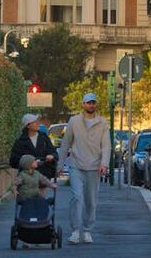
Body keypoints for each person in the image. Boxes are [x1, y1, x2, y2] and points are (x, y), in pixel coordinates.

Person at [58, 92, 110, 245]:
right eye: (88, 103)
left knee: (91, 201)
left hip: (94, 167)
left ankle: (87, 231)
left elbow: (106, 145)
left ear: (96, 104)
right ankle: (75, 231)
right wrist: (60, 164)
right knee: (77, 197)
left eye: (93, 102)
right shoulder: (74, 121)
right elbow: (65, 143)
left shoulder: (103, 123)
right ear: (83, 104)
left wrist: (104, 164)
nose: (91, 105)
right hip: (76, 165)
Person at [10, 114, 58, 179]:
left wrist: (52, 156)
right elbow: (13, 161)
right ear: (28, 125)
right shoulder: (20, 141)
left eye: (38, 121)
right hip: (27, 179)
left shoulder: (44, 137)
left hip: (44, 176)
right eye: (35, 122)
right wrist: (28, 163)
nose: (38, 123)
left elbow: (54, 153)